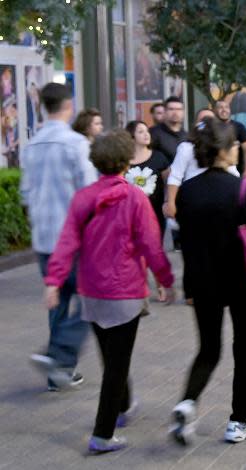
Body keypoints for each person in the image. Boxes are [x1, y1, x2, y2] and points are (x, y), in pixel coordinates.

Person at [43, 130, 175, 454]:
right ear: (127, 159)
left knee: (112, 357)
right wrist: (165, 278)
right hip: (125, 291)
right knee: (116, 365)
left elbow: (66, 243)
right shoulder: (135, 198)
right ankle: (103, 434)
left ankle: (124, 406)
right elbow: (151, 244)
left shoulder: (83, 198)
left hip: (92, 291)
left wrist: (54, 281)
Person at [170, 117, 246, 446]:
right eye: (234, 145)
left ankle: (187, 402)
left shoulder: (188, 192)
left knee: (208, 349)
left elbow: (186, 238)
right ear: (224, 151)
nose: (238, 149)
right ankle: (239, 421)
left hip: (202, 281)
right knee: (245, 349)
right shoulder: (242, 188)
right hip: (242, 281)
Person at [21, 83, 98, 391]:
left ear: (42, 106)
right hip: (73, 238)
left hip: (43, 238)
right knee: (91, 301)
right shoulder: (76, 144)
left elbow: (26, 194)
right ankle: (59, 355)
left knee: (58, 302)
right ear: (69, 106)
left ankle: (58, 370)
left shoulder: (31, 145)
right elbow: (89, 193)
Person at [126, 120, 171, 301]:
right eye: (140, 132)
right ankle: (140, 287)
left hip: (154, 213)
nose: (146, 134)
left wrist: (168, 200)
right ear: (132, 137)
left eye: (147, 131)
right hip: (131, 215)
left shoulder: (159, 157)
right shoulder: (124, 160)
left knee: (155, 248)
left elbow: (169, 182)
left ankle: (160, 285)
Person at [214, 99, 246, 177]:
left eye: (226, 107)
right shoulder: (211, 128)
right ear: (215, 110)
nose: (224, 110)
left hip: (237, 174)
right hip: (215, 173)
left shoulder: (239, 127)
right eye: (220, 107)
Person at [150, 96, 186, 163]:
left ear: (183, 112)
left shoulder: (187, 136)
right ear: (165, 112)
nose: (175, 112)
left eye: (179, 109)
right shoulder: (153, 133)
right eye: (171, 109)